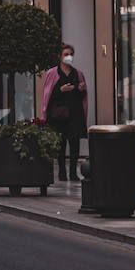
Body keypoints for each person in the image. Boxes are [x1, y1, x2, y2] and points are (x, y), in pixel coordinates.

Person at [41, 43, 88, 182]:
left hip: (74, 113)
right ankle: (62, 172)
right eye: (66, 54)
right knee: (60, 145)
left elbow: (83, 96)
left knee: (74, 143)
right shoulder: (52, 73)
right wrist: (60, 90)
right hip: (58, 115)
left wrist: (80, 89)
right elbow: (48, 95)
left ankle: (73, 173)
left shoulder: (78, 73)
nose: (69, 57)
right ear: (60, 57)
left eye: (71, 54)